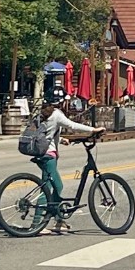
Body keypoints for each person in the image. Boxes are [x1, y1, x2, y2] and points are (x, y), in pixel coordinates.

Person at [37, 87, 104, 232]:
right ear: (61, 102)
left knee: (52, 187)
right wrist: (93, 130)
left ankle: (58, 221)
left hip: (42, 152)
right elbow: (72, 125)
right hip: (48, 155)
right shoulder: (57, 114)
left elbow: (45, 133)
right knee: (52, 187)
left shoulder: (43, 113)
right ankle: (37, 224)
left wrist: (60, 140)